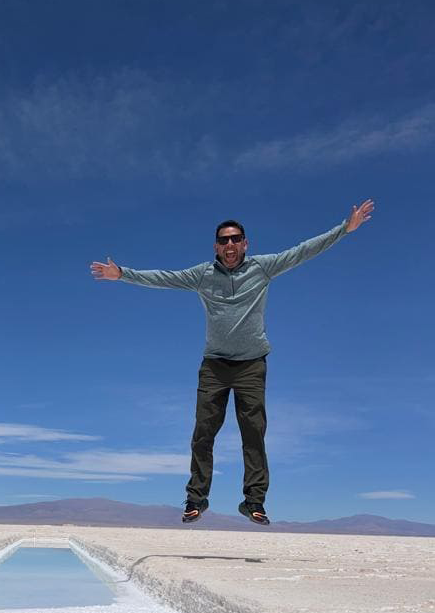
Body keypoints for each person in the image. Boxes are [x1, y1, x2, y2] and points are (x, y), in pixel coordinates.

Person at [90, 200, 375, 525]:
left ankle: (254, 502)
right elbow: (165, 278)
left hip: (251, 365)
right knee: (203, 433)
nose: (230, 244)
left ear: (245, 243)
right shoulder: (202, 275)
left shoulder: (263, 268)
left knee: (253, 433)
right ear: (216, 246)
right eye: (224, 240)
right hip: (214, 365)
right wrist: (122, 274)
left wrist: (345, 229)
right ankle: (196, 499)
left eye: (235, 239)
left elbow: (302, 251)